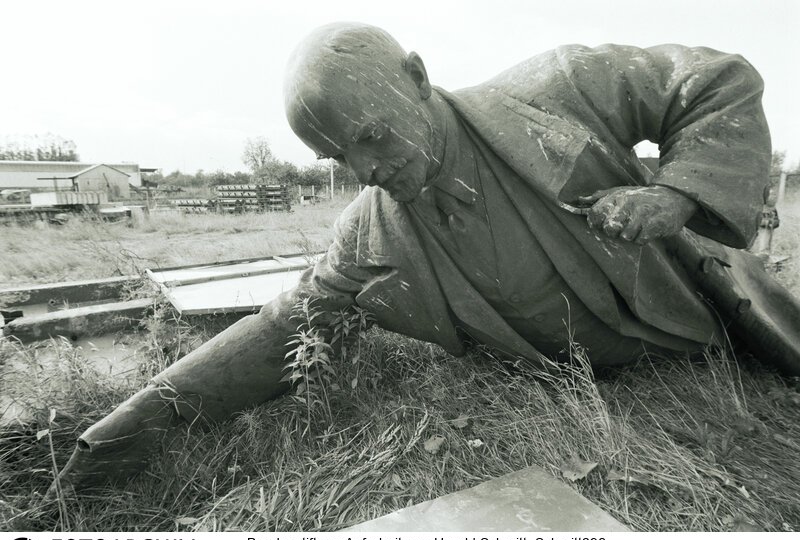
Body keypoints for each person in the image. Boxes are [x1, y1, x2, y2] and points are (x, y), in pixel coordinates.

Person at [53, 22, 800, 492]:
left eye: (374, 136)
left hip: (700, 319)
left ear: (416, 76)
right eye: (341, 157)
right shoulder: (368, 235)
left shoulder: (562, 88)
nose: (367, 168)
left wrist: (674, 197)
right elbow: (282, 327)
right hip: (582, 381)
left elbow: (713, 81)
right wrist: (125, 428)